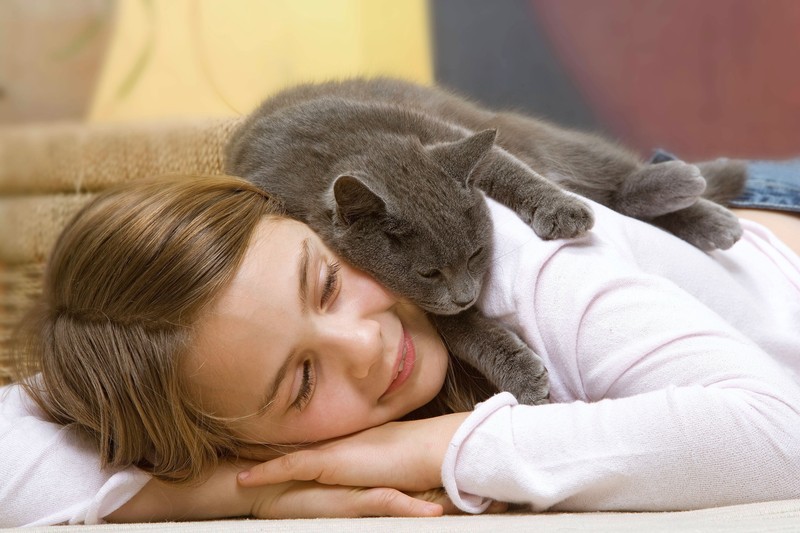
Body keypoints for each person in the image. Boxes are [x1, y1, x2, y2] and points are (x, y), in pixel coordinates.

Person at [1, 168, 799, 526]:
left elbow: (779, 434)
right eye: (301, 382)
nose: (365, 341)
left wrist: (431, 445)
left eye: (324, 282)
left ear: (309, 218)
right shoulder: (207, 401)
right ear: (241, 440)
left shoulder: (505, 257)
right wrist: (249, 490)